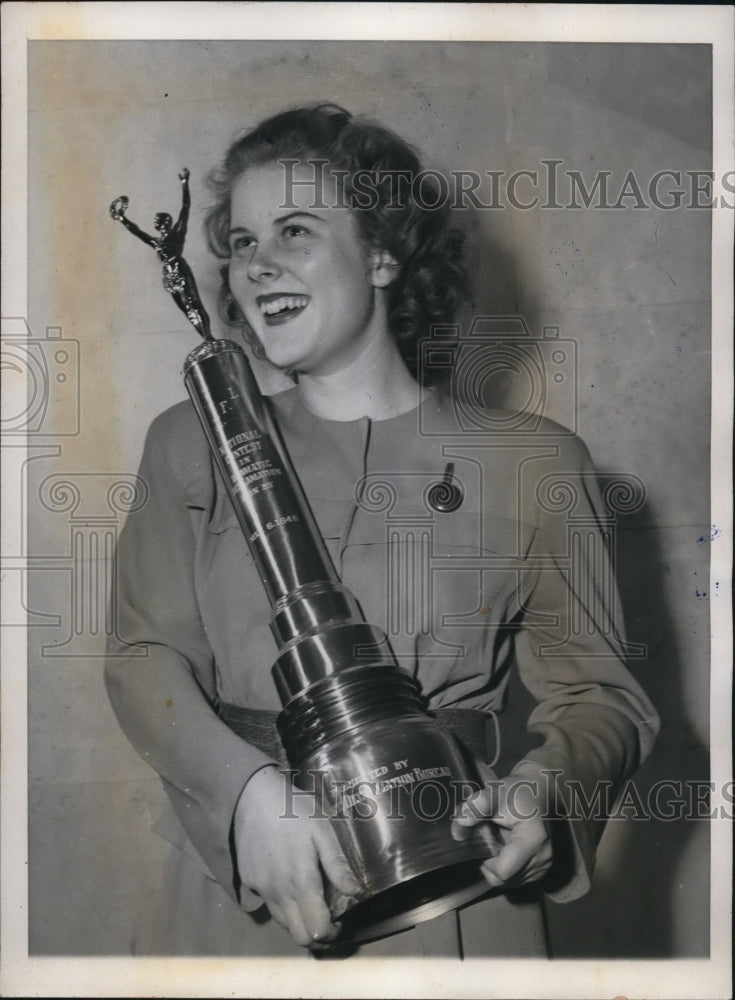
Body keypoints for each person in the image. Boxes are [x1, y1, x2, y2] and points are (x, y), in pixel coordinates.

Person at [105, 103, 659, 958]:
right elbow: (143, 658)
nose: (256, 266)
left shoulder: (534, 462)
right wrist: (248, 793)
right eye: (241, 242)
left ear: (382, 254)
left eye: (294, 231)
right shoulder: (187, 441)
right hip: (253, 890)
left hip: (462, 897)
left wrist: (547, 789)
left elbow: (599, 696)